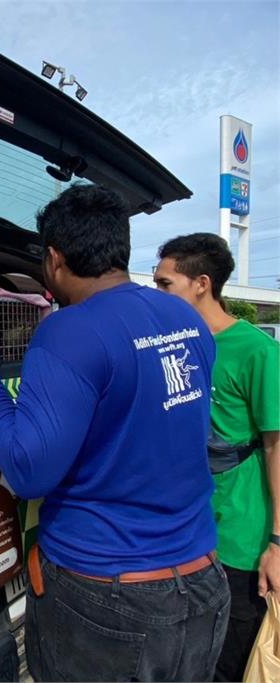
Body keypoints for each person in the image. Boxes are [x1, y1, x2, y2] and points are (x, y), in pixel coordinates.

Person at [0, 184, 230, 682]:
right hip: (203, 580)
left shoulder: (70, 330)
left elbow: (29, 468)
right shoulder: (185, 318)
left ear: (54, 259)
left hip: (109, 598)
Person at [155, 233, 279, 682]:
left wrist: (277, 544)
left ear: (201, 283)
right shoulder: (173, 346)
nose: (158, 294)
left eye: (166, 284)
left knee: (231, 660)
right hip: (185, 533)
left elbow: (275, 446)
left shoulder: (257, 350)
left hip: (241, 541)